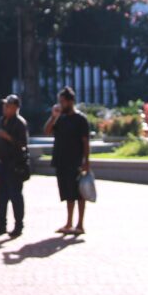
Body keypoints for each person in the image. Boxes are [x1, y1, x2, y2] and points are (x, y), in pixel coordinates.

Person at [44, 87, 91, 236]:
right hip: (61, 161)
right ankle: (69, 223)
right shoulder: (61, 118)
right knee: (67, 193)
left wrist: (86, 161)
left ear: (71, 101)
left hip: (75, 161)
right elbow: (47, 131)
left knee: (79, 193)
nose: (61, 104)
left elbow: (85, 142)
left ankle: (80, 224)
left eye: (63, 101)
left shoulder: (80, 119)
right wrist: (53, 117)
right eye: (60, 101)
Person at [0, 94, 30, 237]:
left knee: (15, 195)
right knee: (1, 195)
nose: (5, 108)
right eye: (4, 105)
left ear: (15, 107)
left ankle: (18, 225)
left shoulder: (20, 123)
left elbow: (23, 144)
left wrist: (8, 137)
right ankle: (1, 224)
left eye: (8, 106)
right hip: (2, 162)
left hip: (15, 164)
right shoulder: (2, 120)